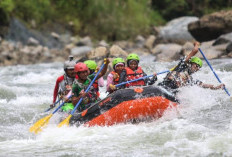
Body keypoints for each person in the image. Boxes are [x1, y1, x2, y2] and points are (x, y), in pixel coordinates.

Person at [158, 42, 225, 92]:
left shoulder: (190, 79)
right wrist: (196, 44)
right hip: (165, 85)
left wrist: (217, 87)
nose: (197, 68)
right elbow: (195, 50)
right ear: (191, 63)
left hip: (172, 92)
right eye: (196, 66)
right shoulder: (183, 65)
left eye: (198, 67)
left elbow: (204, 85)